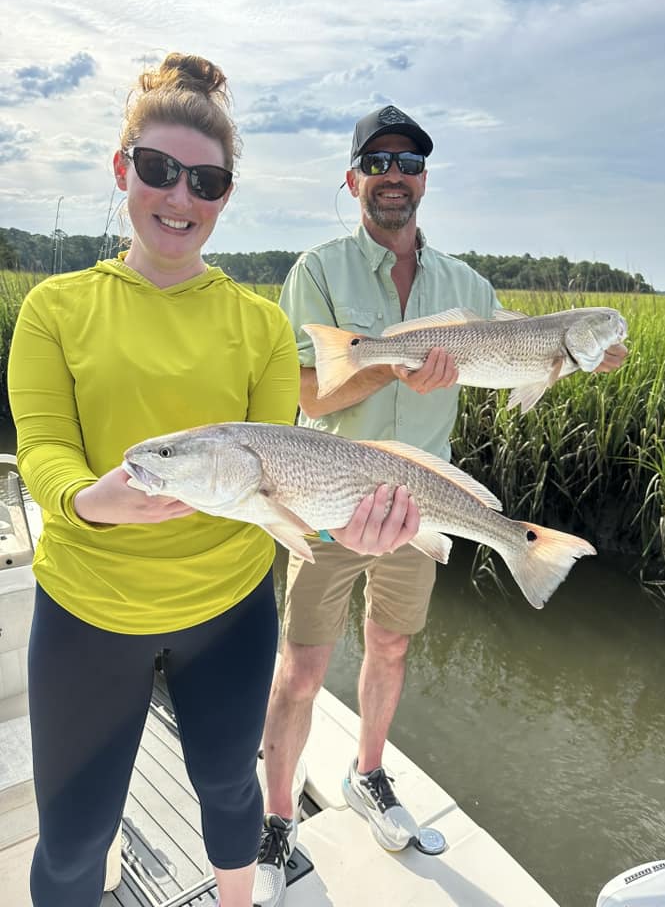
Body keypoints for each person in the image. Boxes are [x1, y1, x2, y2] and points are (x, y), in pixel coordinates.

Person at [8, 62, 418, 907]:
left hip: (229, 613)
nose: (179, 196)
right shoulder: (55, 308)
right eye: (158, 169)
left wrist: (354, 529)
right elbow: (45, 450)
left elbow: (281, 482)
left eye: (207, 180)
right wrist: (88, 501)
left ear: (226, 195)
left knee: (232, 792)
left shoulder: (260, 324)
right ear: (123, 169)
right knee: (76, 836)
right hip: (90, 611)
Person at [253, 104, 628, 907]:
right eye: (378, 164)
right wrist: (385, 367)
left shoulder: (468, 287)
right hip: (326, 489)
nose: (395, 178)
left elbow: (513, 360)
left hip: (424, 500)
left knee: (389, 646)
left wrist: (576, 359)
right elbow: (304, 392)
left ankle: (369, 774)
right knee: (303, 664)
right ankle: (276, 821)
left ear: (425, 180)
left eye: (410, 164)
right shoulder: (316, 271)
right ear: (353, 179)